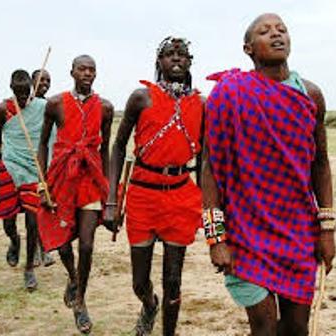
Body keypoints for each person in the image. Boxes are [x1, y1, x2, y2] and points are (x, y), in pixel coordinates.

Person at [203, 13, 336, 336]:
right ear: (248, 48)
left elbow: (320, 165)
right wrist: (215, 238)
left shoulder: (310, 95)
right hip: (245, 232)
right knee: (263, 328)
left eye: (282, 30)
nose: (276, 35)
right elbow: (210, 169)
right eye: (265, 32)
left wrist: (327, 229)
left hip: (298, 232)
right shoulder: (228, 94)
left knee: (296, 328)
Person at [104, 37, 204, 336]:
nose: (176, 59)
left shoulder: (201, 104)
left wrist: (210, 207)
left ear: (190, 62)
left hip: (181, 195)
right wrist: (111, 200)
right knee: (139, 281)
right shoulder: (141, 98)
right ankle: (149, 304)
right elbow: (118, 146)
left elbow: (207, 162)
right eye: (169, 55)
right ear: (158, 62)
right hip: (142, 194)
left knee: (173, 279)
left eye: (182, 55)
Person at [37, 55, 113, 334]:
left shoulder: (105, 108)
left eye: (92, 69)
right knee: (63, 243)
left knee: (87, 245)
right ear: (71, 72)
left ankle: (80, 300)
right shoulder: (56, 104)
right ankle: (72, 276)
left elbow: (104, 150)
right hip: (60, 177)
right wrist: (42, 182)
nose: (87, 73)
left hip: (91, 179)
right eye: (82, 68)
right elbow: (43, 143)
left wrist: (110, 189)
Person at [0, 70, 47, 291]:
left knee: (34, 221)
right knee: (8, 220)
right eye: (20, 94)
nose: (24, 99)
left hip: (33, 169)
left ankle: (29, 269)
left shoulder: (39, 108)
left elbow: (48, 138)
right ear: (12, 89)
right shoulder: (2, 109)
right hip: (9, 166)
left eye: (27, 94)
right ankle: (14, 241)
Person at [31, 68, 55, 268]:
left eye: (48, 80)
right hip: (27, 163)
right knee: (32, 211)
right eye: (41, 80)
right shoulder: (24, 105)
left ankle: (44, 247)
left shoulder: (51, 105)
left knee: (44, 207)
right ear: (32, 82)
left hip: (46, 163)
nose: (45, 84)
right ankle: (35, 250)